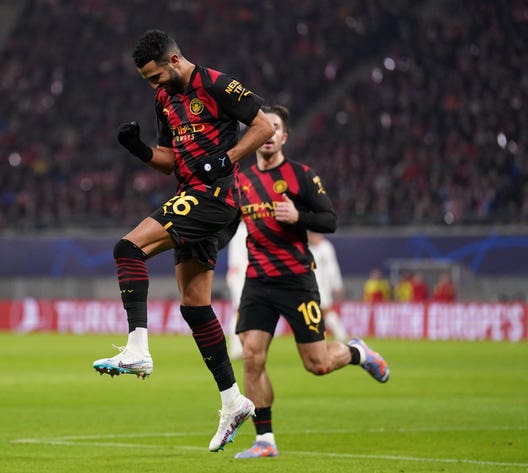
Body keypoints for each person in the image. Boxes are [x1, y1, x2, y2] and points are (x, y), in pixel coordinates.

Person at [91, 30, 274, 453]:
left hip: (214, 197)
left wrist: (225, 158)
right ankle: (233, 401)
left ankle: (138, 348)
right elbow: (171, 159)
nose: (153, 86)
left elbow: (262, 126)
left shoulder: (217, 84)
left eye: (156, 77)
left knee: (128, 248)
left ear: (174, 61)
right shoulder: (163, 100)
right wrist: (138, 149)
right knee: (194, 307)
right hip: (190, 195)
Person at [228, 105, 390, 459]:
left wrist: (298, 215)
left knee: (316, 364)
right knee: (252, 357)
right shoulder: (241, 180)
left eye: (275, 129)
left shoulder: (300, 176)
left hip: (296, 281)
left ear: (284, 137)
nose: (269, 134)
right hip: (257, 282)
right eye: (263, 128)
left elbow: (329, 220)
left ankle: (357, 352)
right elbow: (229, 225)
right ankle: (265, 440)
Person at [307, 232, 348, 341]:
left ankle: (341, 334)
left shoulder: (326, 248)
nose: (310, 238)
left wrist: (337, 285)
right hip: (310, 285)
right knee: (315, 311)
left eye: (312, 235)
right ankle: (317, 336)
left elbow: (333, 267)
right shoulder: (308, 248)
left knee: (326, 310)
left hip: (323, 286)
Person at [226, 220, 247, 359]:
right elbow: (236, 259)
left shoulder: (243, 228)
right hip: (239, 275)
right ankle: (236, 347)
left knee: (243, 312)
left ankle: (242, 346)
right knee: (239, 311)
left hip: (246, 275)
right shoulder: (240, 230)